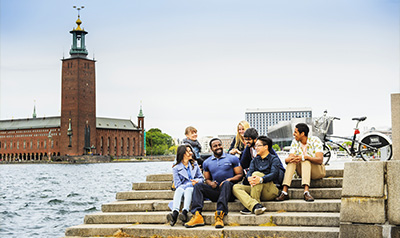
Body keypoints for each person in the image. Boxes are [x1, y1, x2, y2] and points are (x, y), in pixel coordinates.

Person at [185, 138, 243, 229]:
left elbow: (240, 175)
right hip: (216, 191)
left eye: (219, 145)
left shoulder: (232, 158)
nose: (218, 147)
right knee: (198, 186)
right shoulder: (206, 162)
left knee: (226, 184)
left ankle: (219, 214)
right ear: (211, 149)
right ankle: (197, 215)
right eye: (215, 146)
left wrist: (229, 180)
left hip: (229, 191)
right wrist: (210, 183)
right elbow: (207, 179)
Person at [233, 136, 285, 215]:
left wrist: (261, 179)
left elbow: (274, 174)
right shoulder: (255, 160)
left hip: (270, 190)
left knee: (256, 174)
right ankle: (255, 205)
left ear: (265, 147)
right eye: (255, 146)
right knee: (236, 187)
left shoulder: (274, 159)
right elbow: (249, 172)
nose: (255, 148)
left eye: (258, 145)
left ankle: (252, 205)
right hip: (256, 188)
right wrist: (249, 178)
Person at [275, 123, 326, 202]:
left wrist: (305, 157)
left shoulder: (315, 140)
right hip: (302, 171)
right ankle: (284, 192)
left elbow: (320, 160)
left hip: (317, 171)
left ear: (302, 134)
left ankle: (306, 192)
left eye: (295, 132)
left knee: (305, 160)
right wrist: (290, 159)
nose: (293, 134)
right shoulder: (295, 142)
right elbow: (289, 158)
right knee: (292, 161)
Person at [167, 144, 204, 226]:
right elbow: (177, 184)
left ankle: (184, 211)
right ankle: (175, 212)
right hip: (182, 190)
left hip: (193, 189)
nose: (191, 153)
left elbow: (201, 178)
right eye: (189, 151)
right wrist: (188, 184)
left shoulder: (195, 164)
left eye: (191, 151)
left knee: (189, 189)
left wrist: (196, 181)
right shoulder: (176, 168)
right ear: (183, 153)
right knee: (180, 189)